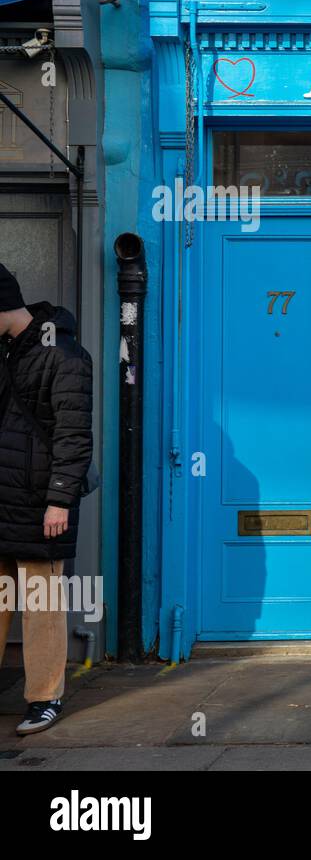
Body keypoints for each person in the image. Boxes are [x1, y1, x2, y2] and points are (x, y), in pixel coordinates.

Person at [0, 263, 93, 735]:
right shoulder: (6, 351)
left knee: (42, 607)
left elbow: (74, 436)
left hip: (40, 505)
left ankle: (44, 698)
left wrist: (59, 500)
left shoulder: (64, 355)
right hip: (3, 498)